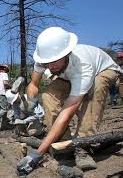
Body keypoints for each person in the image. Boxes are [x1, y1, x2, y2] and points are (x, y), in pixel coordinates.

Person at [20, 27, 122, 173]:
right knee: (48, 95)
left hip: (104, 70)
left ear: (67, 53)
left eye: (54, 62)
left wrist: (38, 153)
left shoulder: (83, 66)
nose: (49, 66)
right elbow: (33, 85)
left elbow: (66, 113)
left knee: (95, 89)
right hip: (68, 75)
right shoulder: (45, 58)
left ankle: (83, 146)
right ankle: (64, 144)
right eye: (47, 63)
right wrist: (32, 107)